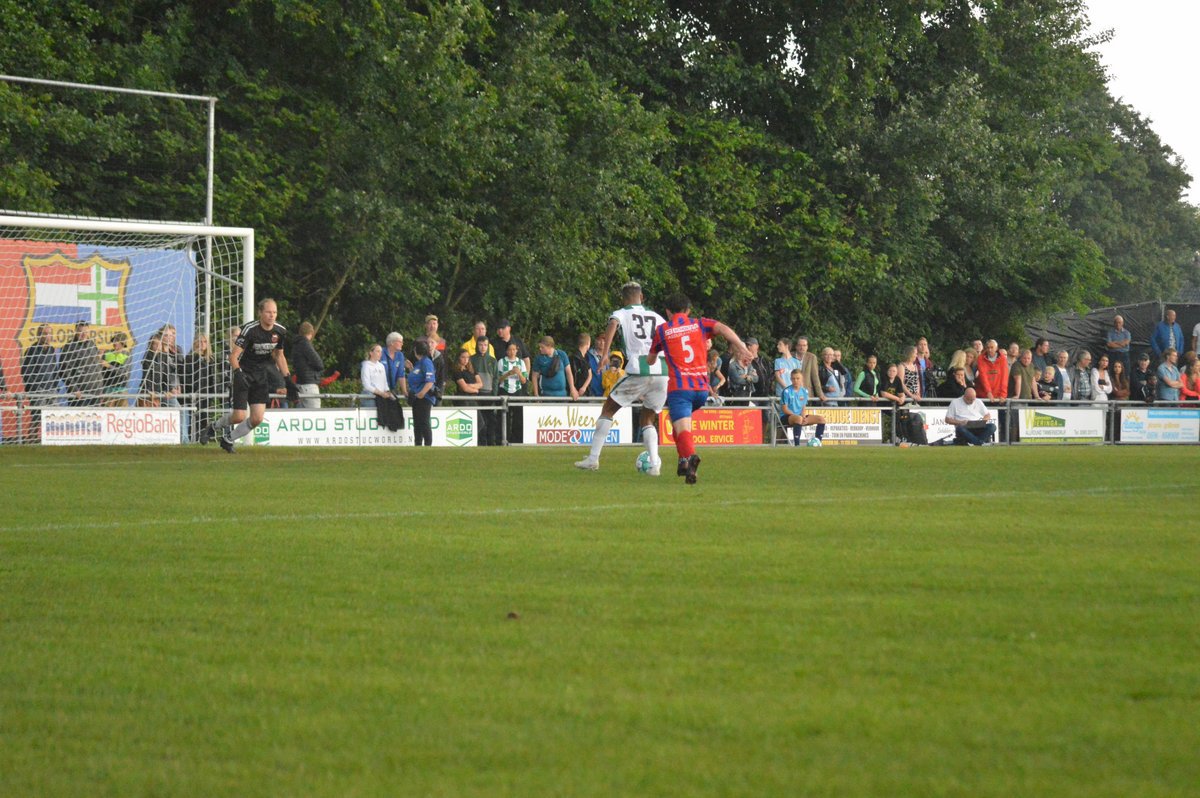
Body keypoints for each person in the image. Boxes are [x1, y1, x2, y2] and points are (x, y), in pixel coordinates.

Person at [647, 293, 749, 484]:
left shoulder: (663, 330)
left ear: (668, 312)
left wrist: (657, 353)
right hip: (701, 390)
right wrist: (741, 346)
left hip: (680, 389)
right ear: (688, 310)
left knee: (683, 429)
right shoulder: (699, 324)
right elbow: (723, 328)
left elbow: (651, 360)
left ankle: (690, 458)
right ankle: (683, 462)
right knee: (675, 423)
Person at [574, 281, 667, 473]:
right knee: (648, 418)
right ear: (642, 297)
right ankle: (654, 465)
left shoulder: (622, 313)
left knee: (608, 410)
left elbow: (613, 324)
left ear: (623, 299)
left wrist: (605, 353)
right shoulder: (657, 317)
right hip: (662, 371)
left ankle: (593, 459)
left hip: (639, 368)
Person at [200, 298, 298, 452]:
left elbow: (279, 355)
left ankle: (228, 440)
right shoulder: (250, 330)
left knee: (257, 418)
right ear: (260, 313)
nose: (272, 315)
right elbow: (233, 356)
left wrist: (287, 379)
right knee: (239, 416)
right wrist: (238, 373)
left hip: (260, 376)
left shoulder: (280, 331)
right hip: (244, 374)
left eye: (274, 312)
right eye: (268, 312)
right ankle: (213, 427)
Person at [19, 324, 59, 442]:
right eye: (45, 334)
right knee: (37, 415)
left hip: (51, 389)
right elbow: (25, 371)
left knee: (54, 415)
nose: (48, 336)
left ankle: (52, 440)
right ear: (38, 335)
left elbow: (54, 370)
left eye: (49, 333)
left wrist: (55, 386)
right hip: (38, 390)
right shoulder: (32, 350)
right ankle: (31, 439)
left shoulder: (51, 350)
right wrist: (36, 387)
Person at [58, 321, 104, 407]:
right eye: (81, 332)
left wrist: (100, 388)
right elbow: (64, 371)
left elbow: (97, 367)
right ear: (76, 331)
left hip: (96, 394)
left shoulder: (92, 344)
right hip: (80, 396)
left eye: (86, 332)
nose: (84, 334)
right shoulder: (69, 347)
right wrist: (74, 389)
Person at [182, 332, 219, 438]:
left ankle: (203, 439)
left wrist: (212, 392)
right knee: (194, 418)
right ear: (195, 343)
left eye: (205, 341)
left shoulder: (211, 359)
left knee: (204, 418)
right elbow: (186, 377)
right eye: (200, 341)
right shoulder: (190, 358)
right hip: (194, 394)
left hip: (206, 394)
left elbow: (213, 378)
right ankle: (192, 439)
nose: (202, 344)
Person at [780, 368, 826, 445]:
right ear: (791, 379)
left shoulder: (804, 391)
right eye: (793, 379)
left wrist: (804, 417)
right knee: (799, 419)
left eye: (798, 378)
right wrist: (797, 416)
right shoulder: (786, 391)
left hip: (800, 416)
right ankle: (797, 445)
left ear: (802, 379)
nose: (795, 381)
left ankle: (818, 442)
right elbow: (785, 409)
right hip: (787, 417)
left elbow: (803, 407)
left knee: (821, 419)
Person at [469, 336, 502, 446]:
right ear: (477, 346)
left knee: (491, 420)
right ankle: (480, 443)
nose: (483, 347)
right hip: (477, 394)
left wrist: (494, 394)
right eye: (480, 345)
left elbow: (496, 378)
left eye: (485, 345)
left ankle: (491, 442)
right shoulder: (472, 359)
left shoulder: (492, 360)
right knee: (479, 420)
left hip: (489, 394)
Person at [496, 340, 529, 443]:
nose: (512, 352)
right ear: (506, 351)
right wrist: (509, 373)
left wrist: (519, 373)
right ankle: (502, 439)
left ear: (517, 350)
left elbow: (524, 381)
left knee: (518, 417)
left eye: (514, 349)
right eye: (510, 350)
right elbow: (498, 380)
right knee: (503, 416)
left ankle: (517, 440)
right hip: (504, 390)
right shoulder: (501, 362)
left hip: (517, 391)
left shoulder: (521, 362)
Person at [407, 339, 437, 445]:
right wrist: (411, 369)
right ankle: (418, 445)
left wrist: (422, 393)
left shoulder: (426, 362)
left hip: (424, 398)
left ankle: (428, 445)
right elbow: (417, 377)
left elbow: (430, 381)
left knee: (424, 422)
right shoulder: (418, 363)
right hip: (416, 397)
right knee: (417, 424)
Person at [290, 321, 325, 408]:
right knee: (314, 414)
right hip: (309, 385)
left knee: (301, 413)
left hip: (299, 384)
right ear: (311, 333)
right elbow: (319, 363)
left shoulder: (296, 345)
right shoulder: (305, 344)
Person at [101, 331, 132, 406]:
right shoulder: (106, 353)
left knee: (122, 412)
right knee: (107, 411)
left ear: (122, 343)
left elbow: (123, 372)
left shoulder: (127, 355)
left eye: (117, 341)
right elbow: (101, 371)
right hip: (108, 388)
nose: (114, 343)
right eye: (114, 340)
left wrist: (109, 366)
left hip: (121, 389)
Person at [794, 336, 825, 403]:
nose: (802, 347)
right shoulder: (789, 356)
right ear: (796, 346)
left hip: (806, 393)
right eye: (800, 345)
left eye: (804, 345)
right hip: (792, 393)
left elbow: (815, 377)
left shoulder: (812, 357)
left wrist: (820, 394)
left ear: (807, 347)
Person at [381, 332, 408, 399]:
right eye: (400, 342)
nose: (402, 344)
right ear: (392, 342)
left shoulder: (400, 355)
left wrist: (404, 391)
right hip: (378, 390)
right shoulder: (380, 352)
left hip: (390, 390)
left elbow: (401, 375)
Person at [569, 333, 594, 398]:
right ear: (588, 344)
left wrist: (584, 387)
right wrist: (573, 389)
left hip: (585, 391)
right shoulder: (574, 358)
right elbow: (571, 375)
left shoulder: (586, 357)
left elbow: (590, 375)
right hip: (575, 392)